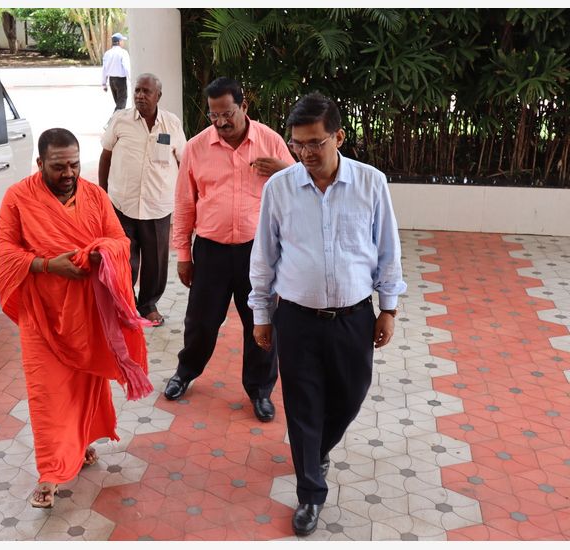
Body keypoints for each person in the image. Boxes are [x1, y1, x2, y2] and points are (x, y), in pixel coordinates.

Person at [248, 93, 407, 536]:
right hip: (296, 318)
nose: (306, 153)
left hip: (354, 317)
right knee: (302, 406)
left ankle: (317, 448)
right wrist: (261, 314)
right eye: (298, 144)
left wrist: (388, 308)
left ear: (338, 136)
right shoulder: (279, 189)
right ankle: (310, 494)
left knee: (352, 393)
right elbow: (264, 258)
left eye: (316, 142)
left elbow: (388, 250)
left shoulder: (371, 183)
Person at [0, 128, 151, 508]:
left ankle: (79, 445)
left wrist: (100, 255)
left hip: (86, 313)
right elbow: (5, 251)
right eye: (58, 166)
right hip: (41, 314)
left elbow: (119, 242)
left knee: (84, 384)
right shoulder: (18, 198)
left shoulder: (95, 196)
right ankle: (50, 474)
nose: (68, 173)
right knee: (48, 393)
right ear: (40, 164)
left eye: (74, 165)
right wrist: (49, 265)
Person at [166, 77, 294, 423]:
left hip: (260, 252)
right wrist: (183, 255)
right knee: (201, 323)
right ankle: (186, 371)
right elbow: (184, 204)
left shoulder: (270, 142)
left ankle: (260, 390)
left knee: (261, 324)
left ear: (244, 107)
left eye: (228, 114)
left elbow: (301, 188)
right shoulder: (196, 147)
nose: (221, 123)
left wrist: (283, 170)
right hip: (211, 251)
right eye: (213, 116)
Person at [98, 73, 186, 327]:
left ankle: (148, 305)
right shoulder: (120, 120)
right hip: (122, 203)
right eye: (137, 90)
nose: (140, 95)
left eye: (146, 91)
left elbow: (183, 160)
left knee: (156, 262)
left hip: (157, 205)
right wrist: (103, 193)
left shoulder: (171, 124)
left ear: (158, 95)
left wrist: (184, 197)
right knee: (124, 260)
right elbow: (106, 155)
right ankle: (125, 304)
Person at [101, 33, 130, 111]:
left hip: (112, 81)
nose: (123, 43)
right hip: (121, 81)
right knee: (121, 104)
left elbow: (104, 69)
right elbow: (127, 67)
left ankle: (117, 120)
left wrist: (104, 83)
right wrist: (131, 80)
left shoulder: (107, 53)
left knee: (118, 103)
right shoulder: (123, 52)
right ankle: (113, 120)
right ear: (119, 41)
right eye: (122, 41)